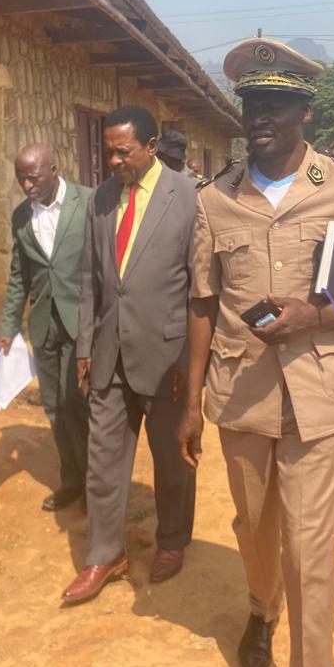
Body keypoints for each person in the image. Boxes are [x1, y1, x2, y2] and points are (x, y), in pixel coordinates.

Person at [177, 37, 334, 667]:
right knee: (254, 529)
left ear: (305, 114)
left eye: (275, 104)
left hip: (318, 395)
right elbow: (201, 302)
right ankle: (260, 605)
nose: (260, 118)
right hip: (240, 391)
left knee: (309, 547)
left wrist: (316, 316)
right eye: (251, 104)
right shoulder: (214, 200)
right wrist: (189, 402)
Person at [61, 105, 197, 606]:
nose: (114, 160)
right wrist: (83, 345)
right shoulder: (101, 198)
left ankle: (173, 541)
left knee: (171, 460)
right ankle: (105, 554)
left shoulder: (186, 198)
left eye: (124, 151)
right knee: (103, 461)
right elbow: (90, 279)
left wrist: (189, 360)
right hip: (108, 352)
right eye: (109, 152)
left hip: (165, 359)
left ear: (151, 146)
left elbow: (198, 287)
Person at [0, 144, 91, 512]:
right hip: (44, 325)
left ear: (55, 169)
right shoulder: (21, 216)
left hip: (82, 323)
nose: (26, 184)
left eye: (33, 177)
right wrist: (8, 326)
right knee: (54, 407)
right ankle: (72, 482)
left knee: (80, 405)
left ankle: (96, 488)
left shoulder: (89, 202)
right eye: (21, 178)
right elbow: (19, 276)